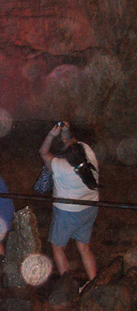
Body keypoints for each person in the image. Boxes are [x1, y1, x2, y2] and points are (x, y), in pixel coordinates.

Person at [39, 121, 99, 288]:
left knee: (58, 247)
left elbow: (43, 152)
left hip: (67, 211)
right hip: (89, 207)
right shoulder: (88, 154)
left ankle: (67, 287)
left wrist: (51, 135)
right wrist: (66, 132)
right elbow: (72, 143)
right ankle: (93, 283)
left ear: (66, 156)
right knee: (84, 248)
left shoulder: (61, 166)